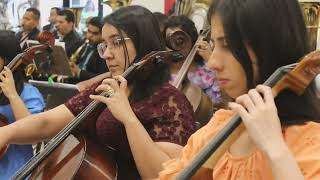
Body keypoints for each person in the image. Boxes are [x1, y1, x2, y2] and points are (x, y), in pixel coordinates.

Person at [0, 6, 196, 180]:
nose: (107, 54)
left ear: (143, 42)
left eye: (117, 42)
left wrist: (129, 119)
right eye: (105, 45)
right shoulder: (106, 86)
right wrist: (5, 133)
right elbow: (47, 122)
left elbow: (161, 175)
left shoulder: (171, 102)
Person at [159, 0, 320, 179]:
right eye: (214, 44)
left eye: (227, 46)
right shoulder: (219, 126)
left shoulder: (311, 144)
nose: (212, 63)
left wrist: (275, 150)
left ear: (270, 46)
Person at [0, 30, 45, 180]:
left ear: (7, 61)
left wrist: (12, 95)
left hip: (16, 172)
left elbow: (34, 134)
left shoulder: (29, 94)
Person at [164, 15, 221, 103]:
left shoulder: (208, 69)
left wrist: (212, 61)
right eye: (170, 40)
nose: (175, 46)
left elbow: (224, 102)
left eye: (180, 40)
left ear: (193, 40)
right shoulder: (159, 72)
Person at [69, 16, 108, 83]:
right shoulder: (84, 42)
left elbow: (103, 77)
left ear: (103, 35)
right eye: (89, 31)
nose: (89, 35)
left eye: (95, 33)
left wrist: (79, 73)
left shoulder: (104, 51)